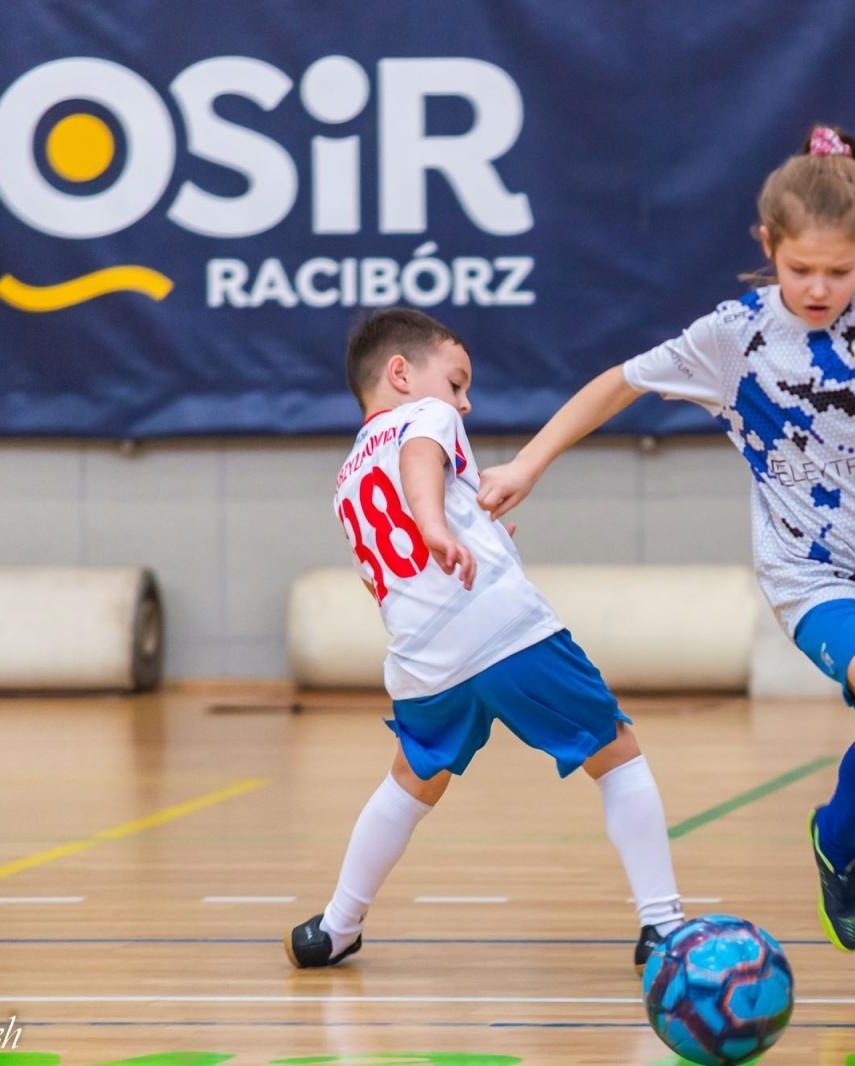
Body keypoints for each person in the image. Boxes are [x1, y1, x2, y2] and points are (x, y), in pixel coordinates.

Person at [477, 125, 855, 957]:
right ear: (768, 246)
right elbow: (616, 385)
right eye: (800, 269)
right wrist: (530, 462)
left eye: (838, 272)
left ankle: (836, 843)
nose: (817, 287)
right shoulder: (733, 335)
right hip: (807, 569)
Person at [287, 307, 685, 970]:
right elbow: (422, 461)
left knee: (412, 781)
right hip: (502, 630)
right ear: (401, 373)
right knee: (617, 754)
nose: (463, 403)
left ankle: (336, 925)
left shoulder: (349, 476)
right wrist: (439, 528)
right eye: (457, 383)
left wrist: (466, 530)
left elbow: (378, 577)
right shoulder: (425, 419)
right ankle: (664, 925)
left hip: (421, 657)